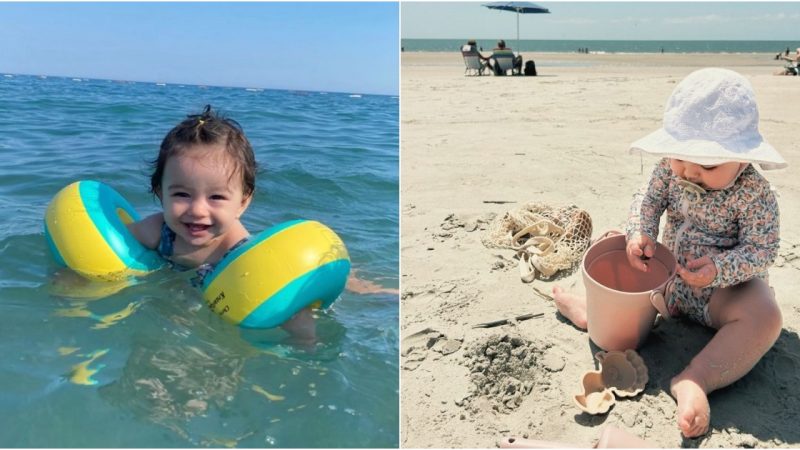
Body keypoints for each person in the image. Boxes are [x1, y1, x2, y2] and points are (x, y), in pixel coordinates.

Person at [552, 68, 787, 438]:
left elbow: (762, 250)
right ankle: (594, 315)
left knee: (766, 315)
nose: (689, 172)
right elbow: (647, 201)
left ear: (743, 158)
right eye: (680, 159)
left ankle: (697, 377)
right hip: (665, 284)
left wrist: (719, 270)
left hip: (721, 295)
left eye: (708, 165)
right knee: (614, 242)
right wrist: (640, 233)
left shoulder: (755, 195)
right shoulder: (669, 170)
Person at [127, 105, 395, 342]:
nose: (197, 210)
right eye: (181, 194)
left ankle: (329, 327)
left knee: (298, 318)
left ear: (243, 202)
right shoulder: (158, 231)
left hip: (240, 292)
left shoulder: (240, 249)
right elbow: (113, 247)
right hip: (184, 296)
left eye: (217, 197)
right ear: (160, 193)